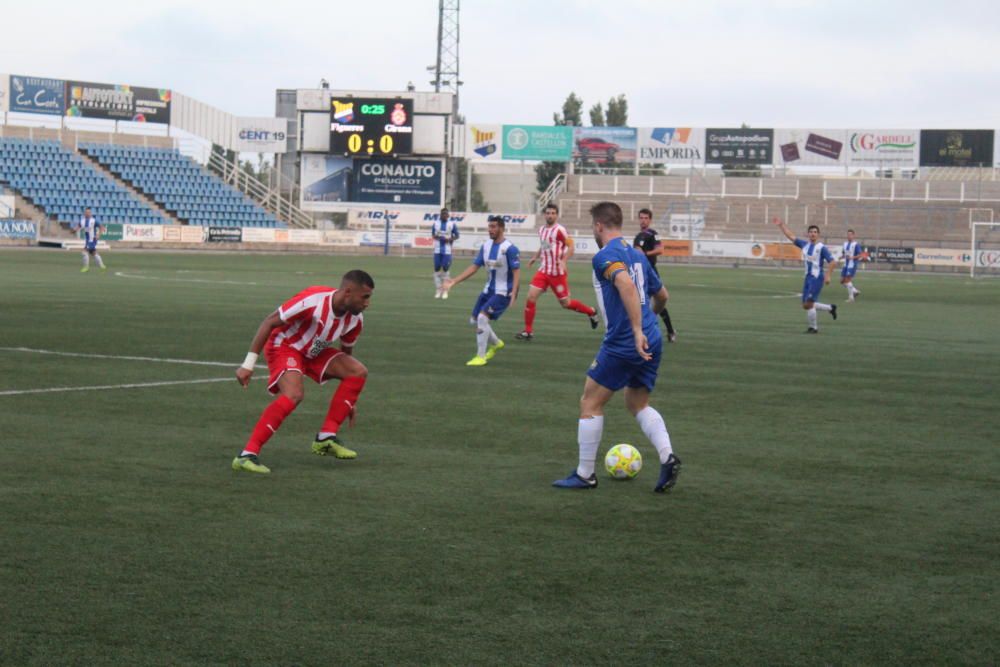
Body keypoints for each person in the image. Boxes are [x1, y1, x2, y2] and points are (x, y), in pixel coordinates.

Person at [553, 201, 681, 493]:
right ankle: (667, 456)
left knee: (590, 402)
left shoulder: (604, 256)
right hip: (653, 338)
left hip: (625, 341)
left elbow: (624, 285)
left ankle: (585, 474)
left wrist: (636, 329)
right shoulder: (638, 255)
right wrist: (648, 321)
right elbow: (662, 296)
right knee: (637, 403)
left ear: (599, 226)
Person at [232, 270, 375, 474]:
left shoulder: (355, 319)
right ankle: (246, 455)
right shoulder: (314, 300)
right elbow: (269, 321)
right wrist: (248, 364)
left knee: (358, 371)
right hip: (285, 346)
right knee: (294, 394)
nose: (367, 303)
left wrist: (349, 400)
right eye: (365, 297)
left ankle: (326, 438)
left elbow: (347, 356)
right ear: (348, 292)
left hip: (314, 352)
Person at [515, 203, 598, 341]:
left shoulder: (560, 230)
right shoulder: (541, 230)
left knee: (566, 303)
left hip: (557, 273)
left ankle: (591, 312)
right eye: (548, 213)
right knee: (530, 297)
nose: (550, 215)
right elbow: (544, 245)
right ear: (545, 215)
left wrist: (564, 260)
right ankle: (528, 331)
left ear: (556, 215)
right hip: (543, 271)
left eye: (553, 213)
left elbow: (571, 246)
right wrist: (535, 257)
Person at [445, 216, 520, 366]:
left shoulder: (509, 249)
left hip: (503, 292)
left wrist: (514, 294)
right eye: (489, 227)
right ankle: (497, 343)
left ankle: (481, 357)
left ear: (501, 228)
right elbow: (474, 267)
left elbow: (517, 272)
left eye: (493, 227)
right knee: (475, 320)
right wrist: (454, 281)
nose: (490, 230)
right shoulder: (486, 246)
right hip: (489, 290)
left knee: (481, 318)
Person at [772, 217, 838, 333]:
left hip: (817, 278)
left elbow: (832, 262)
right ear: (808, 234)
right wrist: (781, 225)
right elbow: (791, 236)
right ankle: (830, 308)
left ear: (818, 235)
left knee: (809, 303)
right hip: (807, 278)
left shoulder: (821, 248)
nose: (813, 234)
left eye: (815, 232)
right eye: (811, 232)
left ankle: (813, 328)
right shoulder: (805, 245)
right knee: (805, 305)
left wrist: (828, 276)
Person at [633, 208, 677, 341]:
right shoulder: (639, 236)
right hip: (641, 273)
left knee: (656, 300)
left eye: (646, 218)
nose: (643, 220)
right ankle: (667, 331)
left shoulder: (652, 234)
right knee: (646, 302)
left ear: (650, 220)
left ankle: (666, 330)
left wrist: (645, 254)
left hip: (651, 272)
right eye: (641, 218)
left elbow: (660, 249)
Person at [431, 207, 459, 299]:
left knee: (445, 268)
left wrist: (450, 239)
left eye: (446, 214)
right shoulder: (436, 223)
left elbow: (457, 235)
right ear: (440, 215)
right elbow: (433, 235)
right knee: (437, 268)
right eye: (442, 214)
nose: (444, 216)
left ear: (448, 215)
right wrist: (439, 237)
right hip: (437, 250)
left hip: (447, 250)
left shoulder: (452, 224)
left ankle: (445, 290)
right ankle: (438, 289)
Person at [72, 207, 106, 273]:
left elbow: (102, 227)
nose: (87, 213)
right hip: (87, 240)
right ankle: (102, 266)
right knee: (93, 253)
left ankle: (86, 267)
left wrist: (98, 234)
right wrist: (73, 231)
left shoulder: (94, 221)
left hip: (92, 240)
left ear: (91, 213)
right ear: (84, 213)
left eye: (89, 212)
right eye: (86, 212)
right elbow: (78, 227)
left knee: (84, 252)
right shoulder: (82, 221)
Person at [841, 229, 862, 302]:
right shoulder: (845, 244)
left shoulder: (856, 244)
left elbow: (859, 255)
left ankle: (851, 298)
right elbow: (844, 253)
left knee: (847, 280)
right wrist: (842, 257)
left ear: (853, 235)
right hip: (845, 264)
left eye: (850, 234)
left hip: (852, 265)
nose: (849, 236)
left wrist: (852, 257)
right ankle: (855, 291)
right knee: (842, 281)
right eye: (848, 234)